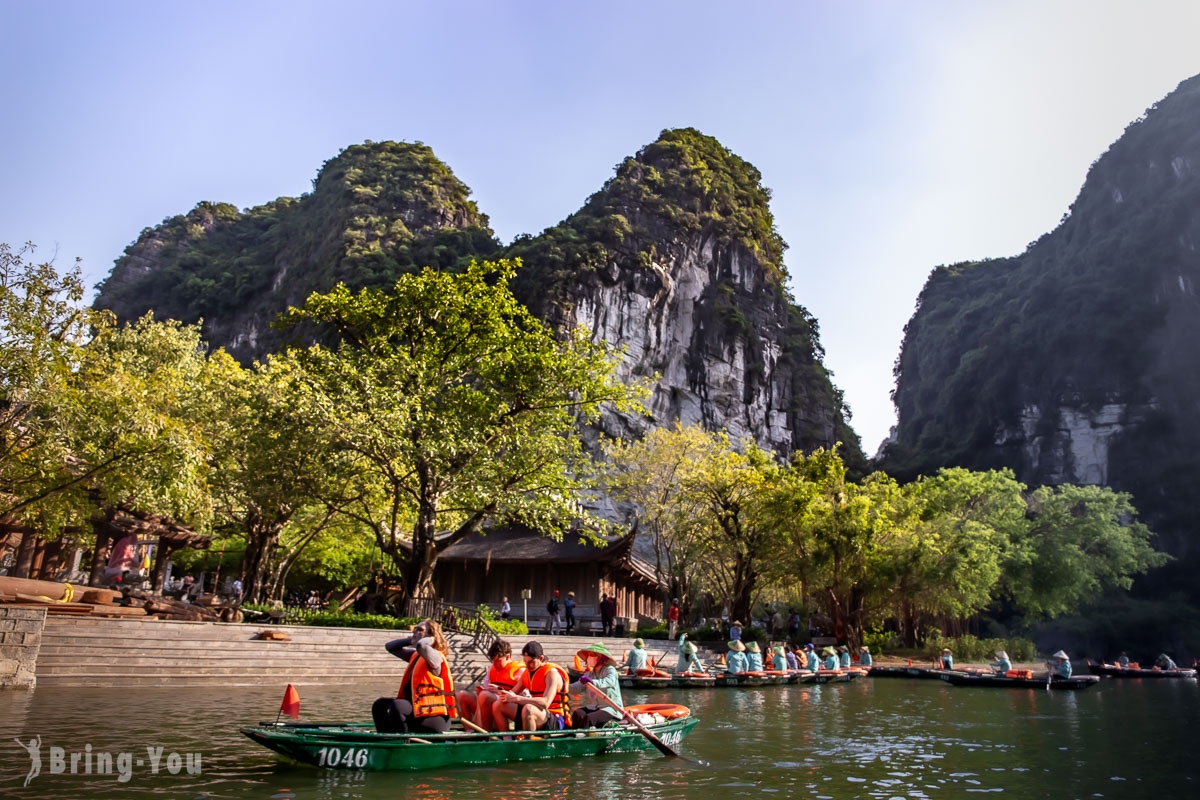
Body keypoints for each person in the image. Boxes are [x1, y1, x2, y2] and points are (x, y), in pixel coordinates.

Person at [373, 619, 457, 734]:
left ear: (431, 635)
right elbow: (390, 647)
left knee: (398, 706)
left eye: (420, 630)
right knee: (380, 704)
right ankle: (386, 738)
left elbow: (422, 645)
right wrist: (411, 639)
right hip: (415, 711)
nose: (415, 631)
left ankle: (404, 742)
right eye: (415, 629)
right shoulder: (416, 656)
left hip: (433, 717)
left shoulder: (435, 656)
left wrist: (433, 639)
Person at [499, 641, 572, 731]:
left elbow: (545, 703)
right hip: (537, 714)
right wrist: (501, 694)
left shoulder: (551, 673)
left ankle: (529, 744)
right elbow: (512, 694)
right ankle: (504, 740)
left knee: (528, 709)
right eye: (525, 662)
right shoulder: (526, 673)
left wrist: (516, 698)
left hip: (556, 718)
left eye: (531, 662)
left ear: (541, 658)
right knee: (498, 704)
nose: (528, 666)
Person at [456, 638, 525, 731]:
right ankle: (469, 731)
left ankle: (486, 733)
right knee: (461, 695)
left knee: (485, 696)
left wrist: (500, 692)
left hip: (509, 705)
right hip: (489, 703)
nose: (495, 665)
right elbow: (486, 687)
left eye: (498, 661)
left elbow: (524, 697)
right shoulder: (492, 668)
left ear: (507, 657)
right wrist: (481, 691)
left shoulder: (520, 670)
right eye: (493, 661)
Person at [570, 642, 623, 728]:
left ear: (601, 658)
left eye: (593, 655)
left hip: (611, 709)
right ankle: (572, 735)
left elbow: (610, 681)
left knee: (589, 718)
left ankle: (582, 738)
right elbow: (577, 687)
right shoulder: (589, 674)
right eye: (589, 655)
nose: (589, 657)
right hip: (595, 707)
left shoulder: (610, 669)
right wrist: (562, 686)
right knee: (577, 714)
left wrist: (593, 682)